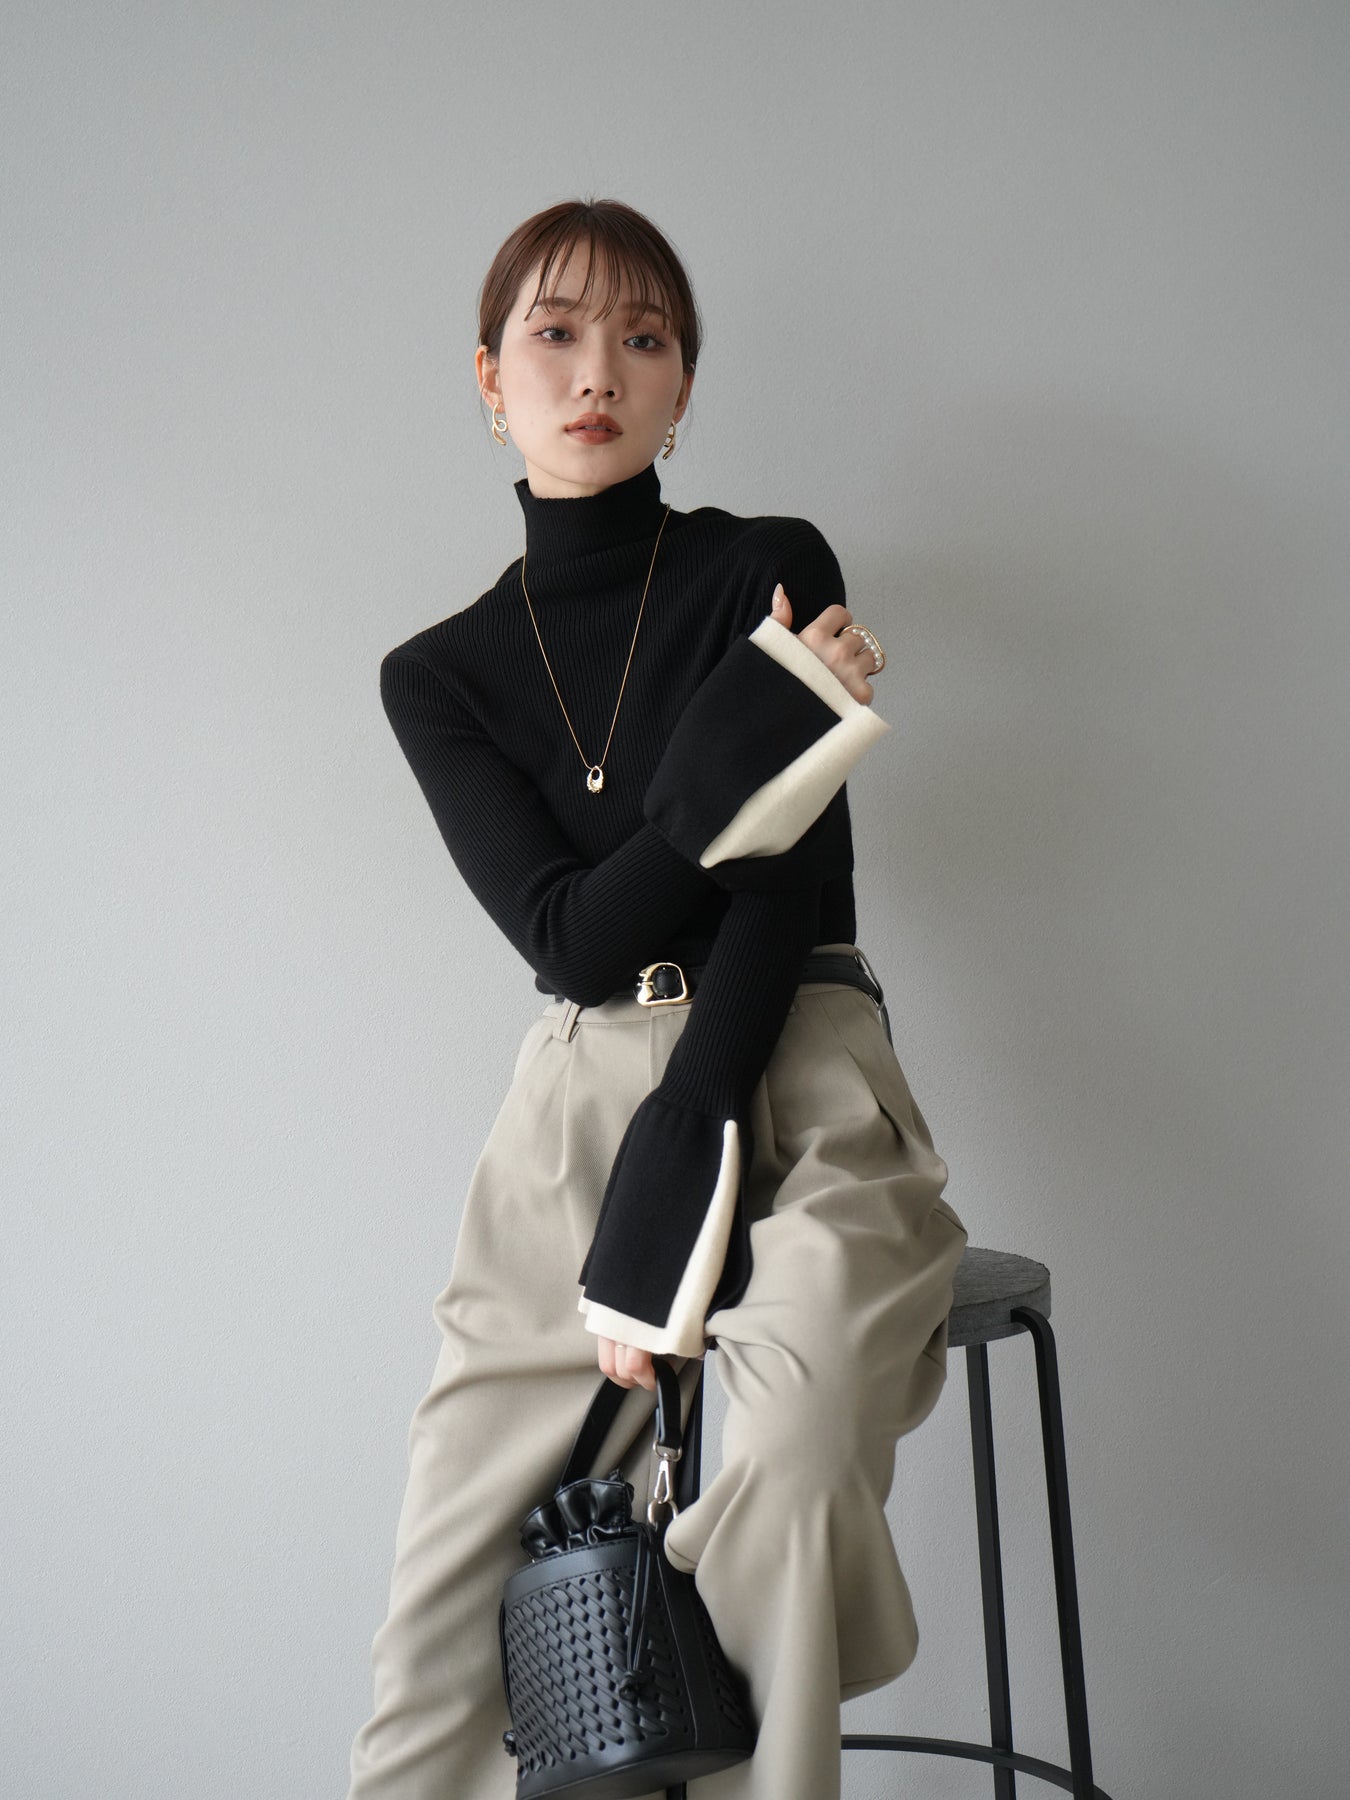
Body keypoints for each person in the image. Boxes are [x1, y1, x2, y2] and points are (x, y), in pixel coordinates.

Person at [345, 197, 968, 1800]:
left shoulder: (767, 566)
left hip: (797, 1072)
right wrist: (726, 763)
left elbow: (775, 893)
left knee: (787, 1468)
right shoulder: (438, 673)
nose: (595, 373)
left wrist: (681, 1170)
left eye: (642, 338)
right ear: (488, 377)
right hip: (572, 1117)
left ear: (683, 384)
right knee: (441, 1618)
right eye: (553, 334)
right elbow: (567, 944)